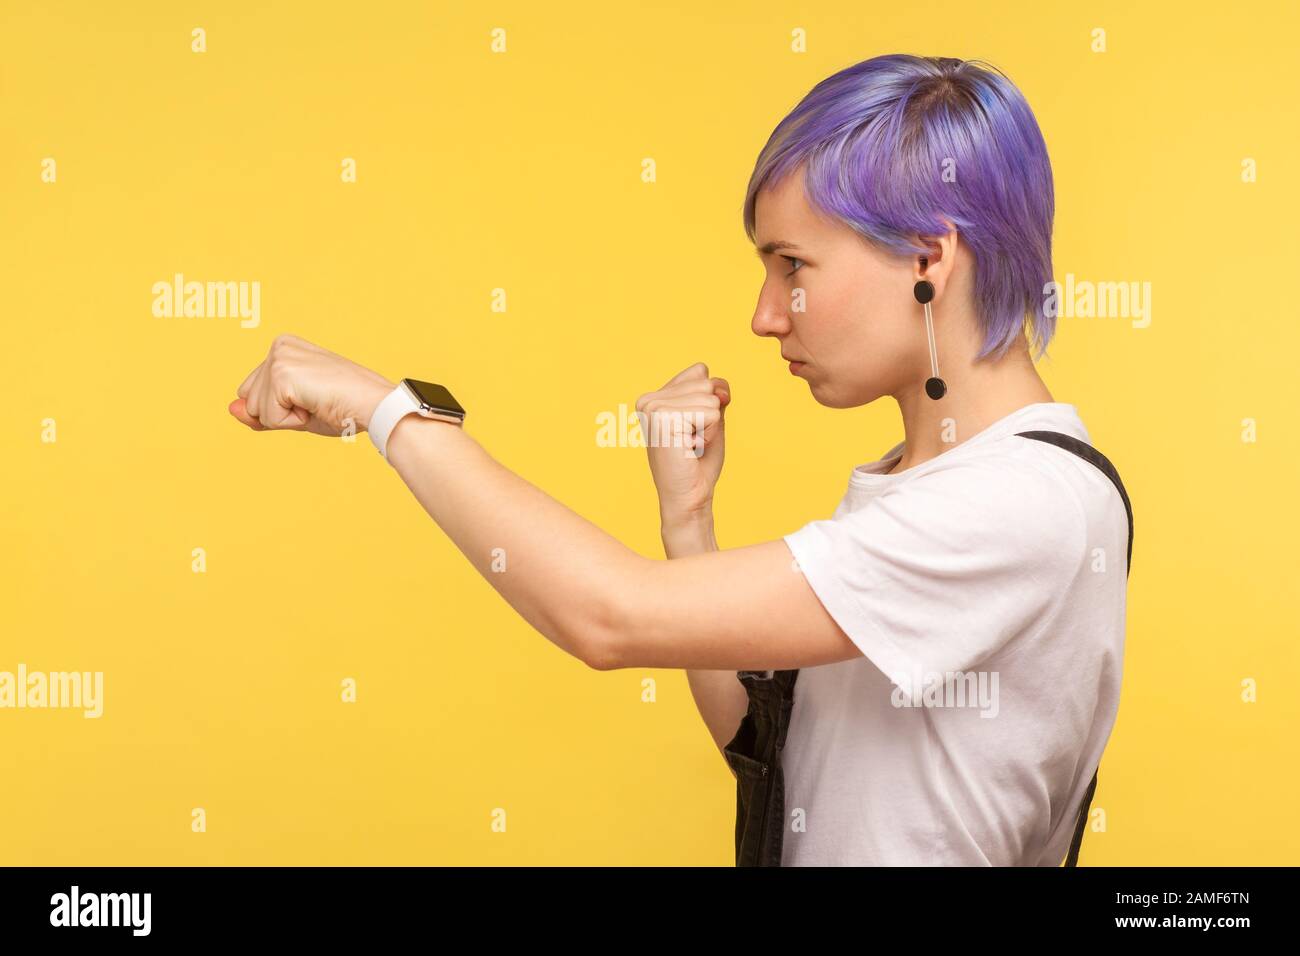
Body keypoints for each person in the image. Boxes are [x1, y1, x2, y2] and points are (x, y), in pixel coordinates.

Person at [227, 54, 1131, 866]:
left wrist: (389, 410)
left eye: (792, 267)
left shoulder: (1021, 502)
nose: (766, 314)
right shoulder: (928, 483)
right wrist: (687, 521)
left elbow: (607, 620)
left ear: (929, 257)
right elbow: (775, 757)